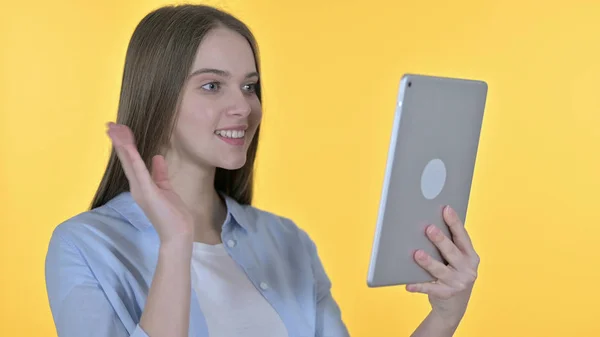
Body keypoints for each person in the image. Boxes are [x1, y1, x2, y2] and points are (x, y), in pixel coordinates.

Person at [44, 4, 480, 337]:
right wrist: (175, 246)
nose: (244, 107)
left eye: (250, 86)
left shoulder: (287, 242)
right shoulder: (85, 247)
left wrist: (445, 315)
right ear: (158, 97)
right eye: (213, 85)